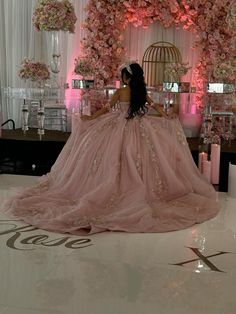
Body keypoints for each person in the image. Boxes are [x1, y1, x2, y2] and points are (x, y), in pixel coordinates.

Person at [1, 63, 219, 235]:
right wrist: (167, 117)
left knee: (108, 158)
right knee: (142, 159)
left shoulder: (121, 92)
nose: (121, 78)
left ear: (126, 77)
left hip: (117, 125)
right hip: (140, 126)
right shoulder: (141, 92)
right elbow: (156, 108)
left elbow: (105, 110)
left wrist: (89, 118)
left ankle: (115, 188)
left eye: (122, 75)